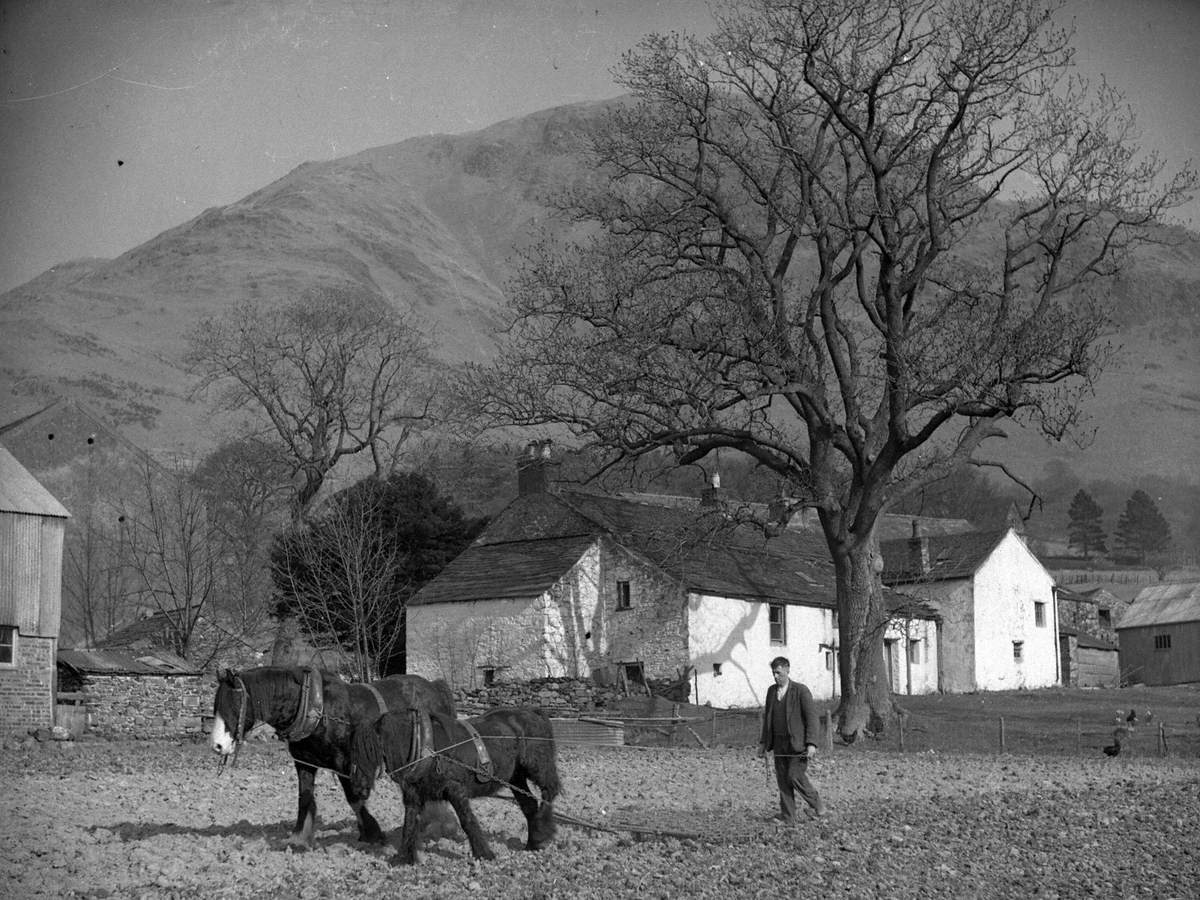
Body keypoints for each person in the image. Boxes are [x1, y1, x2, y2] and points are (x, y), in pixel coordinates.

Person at [758, 656, 825, 823]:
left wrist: (811, 743)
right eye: (773, 673)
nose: (775, 676)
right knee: (782, 780)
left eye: (779, 673)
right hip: (779, 744)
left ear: (787, 670)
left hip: (798, 744)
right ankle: (789, 817)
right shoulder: (771, 691)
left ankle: (818, 806)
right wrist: (763, 744)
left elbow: (812, 718)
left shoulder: (801, 691)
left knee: (794, 776)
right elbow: (768, 719)